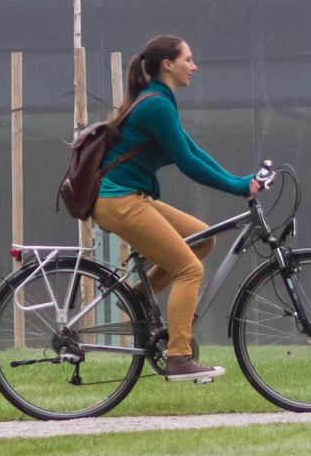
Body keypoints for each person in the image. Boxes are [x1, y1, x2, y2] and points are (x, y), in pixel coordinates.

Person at [90, 35, 262, 384]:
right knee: (188, 270)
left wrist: (239, 180)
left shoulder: (159, 101)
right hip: (118, 199)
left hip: (128, 196)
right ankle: (179, 358)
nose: (194, 66)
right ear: (167, 65)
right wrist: (236, 187)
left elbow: (193, 150)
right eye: (188, 59)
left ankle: (136, 297)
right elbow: (186, 162)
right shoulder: (156, 105)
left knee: (203, 240)